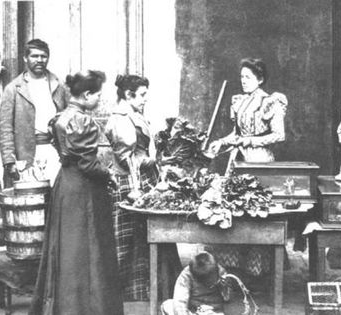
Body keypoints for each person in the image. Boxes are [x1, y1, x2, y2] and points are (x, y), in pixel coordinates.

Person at [29, 71, 123, 315]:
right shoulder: (83, 120)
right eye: (98, 94)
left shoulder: (60, 117)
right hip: (85, 191)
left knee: (68, 249)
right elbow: (88, 164)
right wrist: (109, 175)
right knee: (87, 248)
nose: (100, 99)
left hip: (65, 187)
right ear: (86, 95)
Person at [207, 58, 288, 283]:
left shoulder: (271, 102)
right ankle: (233, 270)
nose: (243, 81)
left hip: (260, 161)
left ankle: (258, 273)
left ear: (260, 79)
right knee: (234, 210)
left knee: (257, 213)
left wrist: (250, 141)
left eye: (248, 77)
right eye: (241, 77)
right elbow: (236, 134)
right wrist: (221, 142)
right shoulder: (240, 101)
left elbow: (279, 135)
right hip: (238, 161)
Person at [104, 74, 181, 301]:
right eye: (142, 95)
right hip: (128, 184)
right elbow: (127, 159)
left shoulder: (133, 114)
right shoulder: (119, 119)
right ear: (128, 95)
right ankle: (120, 295)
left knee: (146, 238)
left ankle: (146, 291)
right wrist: (158, 161)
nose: (146, 99)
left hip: (142, 180)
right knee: (127, 241)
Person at [0, 38, 69, 187]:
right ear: (25, 58)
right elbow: (5, 129)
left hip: (55, 152)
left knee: (57, 198)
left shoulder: (59, 85)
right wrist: (9, 161)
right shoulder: (13, 89)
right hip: (26, 155)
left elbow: (70, 119)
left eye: (43, 56)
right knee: (32, 199)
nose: (39, 60)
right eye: (34, 56)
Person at [161, 252, 231, 315]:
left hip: (212, 310)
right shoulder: (186, 275)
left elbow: (227, 298)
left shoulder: (221, 272)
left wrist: (224, 287)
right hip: (192, 310)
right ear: (197, 278)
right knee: (168, 305)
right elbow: (180, 301)